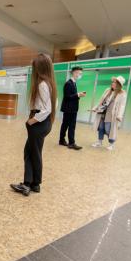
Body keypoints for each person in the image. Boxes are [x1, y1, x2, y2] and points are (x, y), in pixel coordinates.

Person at [10, 53, 57, 196]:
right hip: (44, 124)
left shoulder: (42, 84)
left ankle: (27, 184)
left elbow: (46, 109)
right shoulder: (49, 84)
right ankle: (35, 184)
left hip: (39, 122)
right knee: (34, 153)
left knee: (30, 153)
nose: (33, 70)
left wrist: (32, 120)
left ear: (40, 68)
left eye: (34, 67)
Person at [91, 76, 127, 151]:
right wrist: (95, 108)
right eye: (113, 82)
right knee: (100, 127)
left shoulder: (122, 93)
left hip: (112, 114)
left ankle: (112, 144)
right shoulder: (108, 90)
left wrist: (119, 115)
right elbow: (101, 100)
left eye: (115, 82)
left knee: (108, 129)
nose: (112, 83)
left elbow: (122, 106)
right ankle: (99, 142)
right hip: (103, 112)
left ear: (119, 85)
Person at [59, 66, 86, 150]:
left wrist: (78, 95)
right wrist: (78, 95)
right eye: (79, 73)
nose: (80, 75)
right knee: (69, 125)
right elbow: (67, 96)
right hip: (69, 109)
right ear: (74, 73)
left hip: (72, 109)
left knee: (66, 125)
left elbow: (71, 96)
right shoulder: (68, 83)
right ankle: (71, 143)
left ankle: (62, 140)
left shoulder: (74, 83)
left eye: (81, 73)